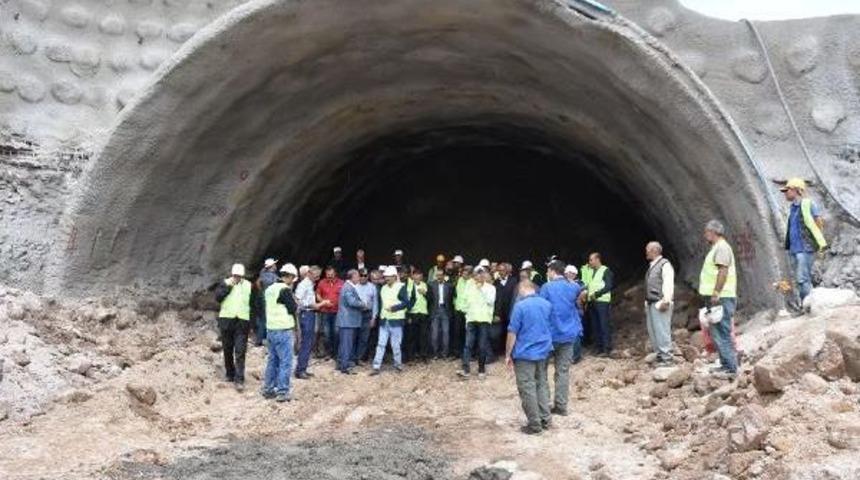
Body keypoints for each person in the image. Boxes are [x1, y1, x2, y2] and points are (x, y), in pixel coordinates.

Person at [506, 280, 553, 435]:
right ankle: (546, 419)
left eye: (519, 290)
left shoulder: (520, 307)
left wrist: (508, 354)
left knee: (527, 388)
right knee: (541, 384)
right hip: (543, 351)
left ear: (523, 289)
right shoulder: (546, 304)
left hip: (525, 353)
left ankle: (535, 425)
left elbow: (512, 332)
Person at [539, 260, 583, 416]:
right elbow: (582, 291)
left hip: (549, 336)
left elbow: (541, 309)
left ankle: (544, 406)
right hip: (568, 335)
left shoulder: (546, 288)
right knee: (563, 372)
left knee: (542, 371)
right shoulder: (574, 287)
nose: (547, 274)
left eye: (548, 271)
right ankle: (561, 406)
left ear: (552, 271)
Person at [699, 220, 739, 377]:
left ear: (712, 232)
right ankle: (725, 364)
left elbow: (723, 271)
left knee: (722, 331)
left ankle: (730, 368)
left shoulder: (722, 248)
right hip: (717, 297)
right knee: (717, 332)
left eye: (706, 232)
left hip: (721, 297)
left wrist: (716, 292)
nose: (705, 235)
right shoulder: (717, 248)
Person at [780, 178, 827, 310]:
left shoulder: (808, 204)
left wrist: (818, 243)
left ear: (797, 190)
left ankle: (809, 307)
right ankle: (806, 305)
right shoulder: (793, 208)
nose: (785, 193)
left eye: (787, 190)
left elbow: (818, 223)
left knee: (803, 278)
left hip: (805, 248)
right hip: (795, 250)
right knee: (800, 279)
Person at [261, 263, 300, 402]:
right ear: (289, 277)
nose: (292, 281)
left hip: (271, 329)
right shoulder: (284, 290)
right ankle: (283, 391)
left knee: (272, 360)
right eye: (293, 278)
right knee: (286, 361)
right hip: (283, 330)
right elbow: (293, 308)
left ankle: (268, 389)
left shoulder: (269, 289)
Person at [214, 264, 254, 391]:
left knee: (240, 351)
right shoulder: (225, 283)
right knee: (227, 349)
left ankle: (239, 379)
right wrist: (228, 287)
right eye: (235, 275)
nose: (237, 278)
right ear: (232, 274)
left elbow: (252, 303)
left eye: (239, 276)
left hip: (242, 321)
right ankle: (229, 373)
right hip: (227, 321)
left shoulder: (248, 285)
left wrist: (252, 322)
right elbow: (218, 298)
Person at [371, 266, 411, 375]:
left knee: (396, 345)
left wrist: (394, 308)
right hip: (384, 320)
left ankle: (398, 365)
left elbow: (406, 303)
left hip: (396, 321)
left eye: (388, 276)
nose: (386, 278)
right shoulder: (383, 288)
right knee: (380, 344)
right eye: (385, 276)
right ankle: (376, 366)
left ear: (394, 276)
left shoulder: (401, 287)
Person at [459, 266, 496, 378]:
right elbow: (465, 303)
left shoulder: (490, 288)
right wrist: (467, 317)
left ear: (484, 275)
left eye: (481, 274)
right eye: (476, 274)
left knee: (482, 346)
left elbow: (490, 301)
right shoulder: (469, 287)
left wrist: (481, 288)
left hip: (484, 320)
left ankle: (481, 370)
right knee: (467, 345)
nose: (478, 276)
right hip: (471, 319)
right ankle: (465, 370)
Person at [644, 242, 675, 367]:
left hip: (660, 303)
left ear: (654, 251)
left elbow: (668, 283)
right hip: (652, 303)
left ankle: (667, 358)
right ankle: (660, 356)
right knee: (654, 331)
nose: (646, 252)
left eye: (647, 250)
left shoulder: (665, 265)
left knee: (662, 330)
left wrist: (666, 300)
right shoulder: (652, 265)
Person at [335, 269, 370, 375]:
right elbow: (351, 302)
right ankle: (345, 367)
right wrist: (363, 304)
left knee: (344, 344)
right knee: (347, 344)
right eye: (357, 276)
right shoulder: (348, 287)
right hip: (348, 321)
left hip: (346, 321)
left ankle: (341, 363)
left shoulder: (348, 286)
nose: (359, 278)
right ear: (352, 277)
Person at [294, 265, 325, 379]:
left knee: (309, 342)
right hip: (306, 314)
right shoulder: (304, 284)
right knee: (306, 342)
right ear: (309, 273)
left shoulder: (310, 284)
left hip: (309, 313)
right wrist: (320, 304)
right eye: (316, 276)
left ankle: (303, 368)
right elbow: (297, 299)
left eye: (318, 276)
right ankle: (300, 370)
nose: (317, 278)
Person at [580, 252, 614, 357]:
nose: (589, 262)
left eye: (591, 260)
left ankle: (606, 348)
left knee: (604, 324)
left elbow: (609, 285)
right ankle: (599, 348)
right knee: (595, 325)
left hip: (602, 301)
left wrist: (597, 294)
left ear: (597, 259)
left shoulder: (605, 270)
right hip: (592, 301)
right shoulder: (591, 272)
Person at [315, 266, 343, 359]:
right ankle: (328, 352)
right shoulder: (322, 282)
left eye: (331, 274)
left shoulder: (341, 283)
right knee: (326, 333)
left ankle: (335, 352)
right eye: (328, 275)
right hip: (325, 311)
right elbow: (318, 294)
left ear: (335, 273)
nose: (330, 276)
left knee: (336, 332)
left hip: (337, 311)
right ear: (325, 274)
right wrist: (323, 301)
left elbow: (344, 296)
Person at [353, 268, 378, 364]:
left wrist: (374, 317)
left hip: (368, 315)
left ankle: (359, 358)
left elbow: (375, 303)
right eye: (361, 275)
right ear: (358, 276)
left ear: (368, 277)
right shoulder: (354, 286)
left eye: (365, 275)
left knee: (364, 338)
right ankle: (352, 357)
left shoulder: (372, 287)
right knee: (354, 336)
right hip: (356, 314)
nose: (363, 277)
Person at [428, 267, 454, 359]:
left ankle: (444, 354)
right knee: (434, 333)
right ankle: (435, 353)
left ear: (444, 275)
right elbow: (429, 299)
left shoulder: (449, 285)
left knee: (446, 333)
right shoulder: (431, 285)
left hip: (445, 310)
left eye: (440, 275)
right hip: (435, 310)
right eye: (437, 275)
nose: (439, 277)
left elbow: (452, 299)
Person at [253, 258, 279, 346]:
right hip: (267, 300)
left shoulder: (262, 273)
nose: (276, 266)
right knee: (265, 320)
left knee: (261, 319)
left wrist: (261, 291)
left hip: (261, 298)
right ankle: (260, 340)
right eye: (274, 265)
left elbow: (257, 282)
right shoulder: (272, 276)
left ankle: (260, 338)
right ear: (271, 266)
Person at [493, 262, 518, 353]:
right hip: (500, 311)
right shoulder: (496, 282)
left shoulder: (514, 281)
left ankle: (510, 350)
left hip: (510, 310)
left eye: (502, 270)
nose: (500, 272)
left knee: (511, 330)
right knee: (499, 331)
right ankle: (500, 350)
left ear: (507, 271)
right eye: (499, 270)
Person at [407, 269, 430, 362]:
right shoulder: (409, 285)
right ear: (413, 276)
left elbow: (430, 298)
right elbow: (406, 300)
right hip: (413, 313)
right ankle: (411, 356)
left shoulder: (425, 285)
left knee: (423, 336)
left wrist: (425, 294)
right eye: (415, 275)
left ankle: (423, 355)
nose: (417, 277)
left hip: (423, 313)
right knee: (412, 336)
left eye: (419, 275)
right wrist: (408, 315)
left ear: (421, 277)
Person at [452, 265, 473, 358]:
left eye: (466, 274)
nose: (464, 275)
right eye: (463, 273)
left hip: (467, 311)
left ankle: (467, 353)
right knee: (457, 332)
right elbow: (455, 294)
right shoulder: (458, 280)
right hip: (458, 310)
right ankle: (457, 352)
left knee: (467, 333)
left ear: (469, 274)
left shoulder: (472, 282)